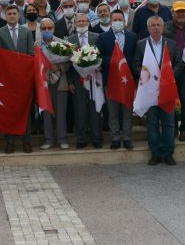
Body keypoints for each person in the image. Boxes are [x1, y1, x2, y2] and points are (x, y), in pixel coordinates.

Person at [137, 16, 180, 165]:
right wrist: (147, 75)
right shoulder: (141, 45)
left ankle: (168, 153)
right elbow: (135, 65)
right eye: (153, 25)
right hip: (149, 91)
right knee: (152, 123)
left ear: (163, 27)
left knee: (169, 123)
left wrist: (169, 75)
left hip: (166, 90)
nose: (156, 28)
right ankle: (155, 153)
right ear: (148, 28)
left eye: (158, 25)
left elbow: (179, 63)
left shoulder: (172, 44)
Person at [0, 5, 35, 153]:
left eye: (14, 13)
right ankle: (10, 141)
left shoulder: (26, 32)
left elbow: (31, 54)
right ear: (6, 16)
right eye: (9, 14)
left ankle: (26, 140)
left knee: (25, 110)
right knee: (9, 110)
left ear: (19, 16)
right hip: (7, 79)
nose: (12, 16)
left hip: (24, 78)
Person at [97, 9, 139, 150]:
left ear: (124, 21)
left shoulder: (133, 37)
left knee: (127, 111)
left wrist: (125, 62)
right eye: (114, 20)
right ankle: (115, 138)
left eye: (119, 20)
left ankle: (127, 138)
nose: (117, 22)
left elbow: (136, 56)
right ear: (110, 21)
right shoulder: (103, 37)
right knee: (112, 111)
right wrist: (114, 60)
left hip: (128, 80)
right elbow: (99, 56)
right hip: (111, 80)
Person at [67, 13, 102, 148]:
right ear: (75, 24)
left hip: (94, 79)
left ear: (88, 22)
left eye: (83, 21)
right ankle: (81, 138)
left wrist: (96, 71)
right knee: (79, 109)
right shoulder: (70, 40)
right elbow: (68, 63)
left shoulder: (96, 37)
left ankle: (97, 138)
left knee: (95, 109)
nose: (81, 23)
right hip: (77, 80)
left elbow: (101, 56)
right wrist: (70, 81)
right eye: (78, 21)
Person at [162, 1, 185, 142]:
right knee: (170, 100)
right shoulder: (165, 28)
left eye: (183, 11)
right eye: (178, 11)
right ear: (172, 13)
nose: (181, 14)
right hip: (170, 70)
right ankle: (172, 128)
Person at [37, 17, 69, 149]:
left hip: (60, 81)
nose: (47, 30)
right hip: (43, 83)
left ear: (54, 29)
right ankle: (48, 140)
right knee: (46, 112)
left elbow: (69, 62)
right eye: (44, 28)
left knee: (61, 112)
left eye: (49, 28)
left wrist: (60, 67)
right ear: (40, 30)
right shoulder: (36, 45)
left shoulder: (62, 43)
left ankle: (62, 139)